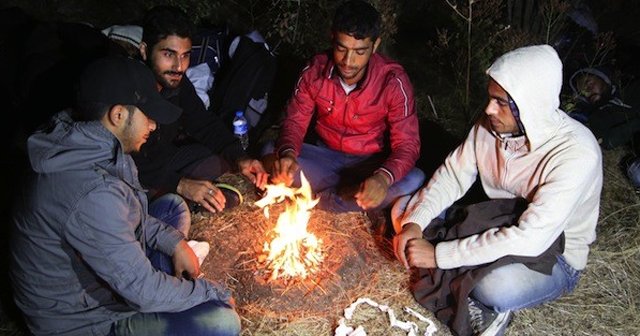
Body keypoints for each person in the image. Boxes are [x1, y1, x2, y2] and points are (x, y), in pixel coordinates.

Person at [10, 56, 241, 336]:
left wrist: (176, 244)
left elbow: (130, 213)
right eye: (148, 115)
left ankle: (163, 273)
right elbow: (142, 292)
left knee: (172, 208)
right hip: (82, 320)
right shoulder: (91, 191)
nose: (154, 125)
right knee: (221, 323)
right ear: (118, 115)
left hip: (99, 273)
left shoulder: (92, 143)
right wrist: (210, 291)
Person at [393, 45, 602, 336]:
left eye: (501, 102)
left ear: (528, 105)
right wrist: (415, 222)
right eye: (490, 98)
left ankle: (491, 311)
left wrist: (439, 256)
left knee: (493, 288)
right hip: (498, 218)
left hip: (553, 252)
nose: (489, 109)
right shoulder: (491, 125)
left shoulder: (576, 154)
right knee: (405, 210)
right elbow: (454, 175)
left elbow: (531, 239)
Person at [265, 0, 424, 213]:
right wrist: (289, 154)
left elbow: (407, 145)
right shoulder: (314, 71)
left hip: (369, 164)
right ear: (332, 38)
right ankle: (344, 198)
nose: (348, 61)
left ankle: (324, 199)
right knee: (270, 153)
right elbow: (295, 122)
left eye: (359, 52)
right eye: (341, 48)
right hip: (325, 157)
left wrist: (383, 178)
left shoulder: (393, 82)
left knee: (415, 179)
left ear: (375, 45)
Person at [133, 5, 267, 213]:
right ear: (144, 50)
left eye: (185, 55)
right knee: (131, 196)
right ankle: (166, 201)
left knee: (217, 160)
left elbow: (203, 123)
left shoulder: (177, 83)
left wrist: (240, 157)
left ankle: (175, 195)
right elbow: (119, 159)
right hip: (131, 169)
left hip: (162, 158)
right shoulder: (127, 87)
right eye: (169, 54)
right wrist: (181, 184)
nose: (179, 66)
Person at [567, 66, 640, 149]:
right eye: (582, 92)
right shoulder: (597, 117)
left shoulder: (630, 88)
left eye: (589, 83)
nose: (587, 90)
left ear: (603, 78)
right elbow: (607, 141)